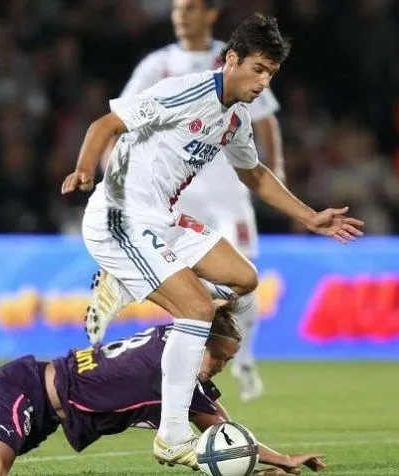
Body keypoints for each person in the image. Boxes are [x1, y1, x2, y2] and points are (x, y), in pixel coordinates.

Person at [61, 13, 363, 470]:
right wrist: (85, 169)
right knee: (197, 309)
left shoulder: (235, 118)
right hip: (119, 217)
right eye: (258, 70)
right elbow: (105, 125)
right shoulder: (185, 92)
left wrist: (309, 217)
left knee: (244, 278)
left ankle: (150, 305)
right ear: (232, 59)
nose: (263, 82)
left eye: (271, 74)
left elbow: (254, 175)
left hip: (163, 219)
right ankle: (171, 436)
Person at [117, 0, 286, 403]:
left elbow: (265, 119)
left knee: (245, 273)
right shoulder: (158, 64)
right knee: (182, 273)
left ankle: (244, 359)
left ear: (211, 14)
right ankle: (199, 354)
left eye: (190, 7)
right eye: (177, 8)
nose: (181, 15)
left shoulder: (238, 61)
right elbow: (123, 118)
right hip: (178, 189)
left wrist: (276, 167)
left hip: (229, 188)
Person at [0, 304, 326, 475]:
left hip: (43, 409)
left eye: (229, 361)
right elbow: (219, 431)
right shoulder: (171, 370)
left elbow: (220, 427)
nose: (222, 367)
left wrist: (257, 467)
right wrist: (283, 459)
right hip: (23, 391)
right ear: (201, 346)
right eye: (219, 358)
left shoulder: (172, 340)